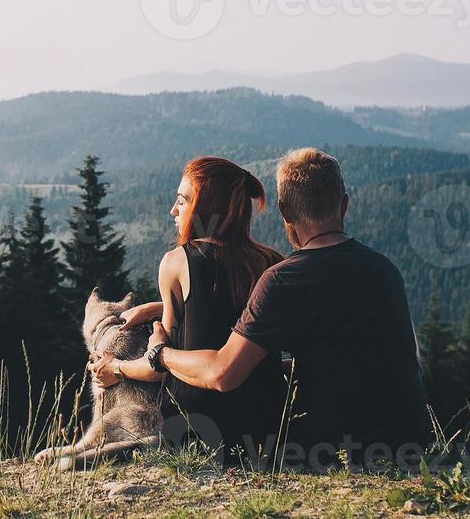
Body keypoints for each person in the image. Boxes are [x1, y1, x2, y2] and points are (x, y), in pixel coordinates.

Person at [145, 148, 431, 471]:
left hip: (331, 452)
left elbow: (223, 373)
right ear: (345, 204)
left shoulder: (284, 280)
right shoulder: (384, 270)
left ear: (284, 212)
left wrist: (160, 353)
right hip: (411, 442)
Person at [89, 155, 287, 464]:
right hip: (265, 432)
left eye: (182, 201)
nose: (174, 210)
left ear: (204, 208)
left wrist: (115, 367)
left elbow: (159, 364)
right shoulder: (271, 263)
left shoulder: (177, 262)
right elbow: (237, 313)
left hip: (193, 432)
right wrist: (156, 308)